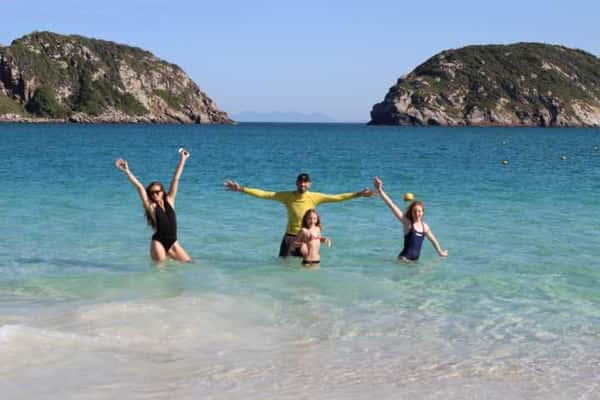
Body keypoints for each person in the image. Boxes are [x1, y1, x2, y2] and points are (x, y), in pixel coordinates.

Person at [224, 173, 373, 257]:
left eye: (305, 183)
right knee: (284, 268)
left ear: (310, 184)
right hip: (289, 238)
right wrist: (242, 189)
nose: (302, 185)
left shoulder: (315, 197)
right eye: (300, 183)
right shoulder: (287, 196)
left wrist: (358, 194)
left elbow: (337, 198)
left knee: (307, 268)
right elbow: (265, 194)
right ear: (296, 183)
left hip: (307, 239)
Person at [115, 149, 192, 263]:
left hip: (173, 243)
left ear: (162, 191)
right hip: (158, 243)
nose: (155, 194)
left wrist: (183, 159)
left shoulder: (170, 200)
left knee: (191, 264)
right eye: (152, 193)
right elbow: (140, 188)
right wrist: (127, 171)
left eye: (157, 191)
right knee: (160, 272)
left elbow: (176, 178)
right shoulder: (151, 206)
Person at [373, 176, 447, 262]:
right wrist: (380, 190)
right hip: (404, 260)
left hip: (414, 262)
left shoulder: (424, 227)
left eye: (419, 211)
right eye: (414, 211)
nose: (417, 214)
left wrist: (440, 252)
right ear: (411, 212)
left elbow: (433, 240)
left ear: (423, 212)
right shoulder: (407, 223)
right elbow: (391, 205)